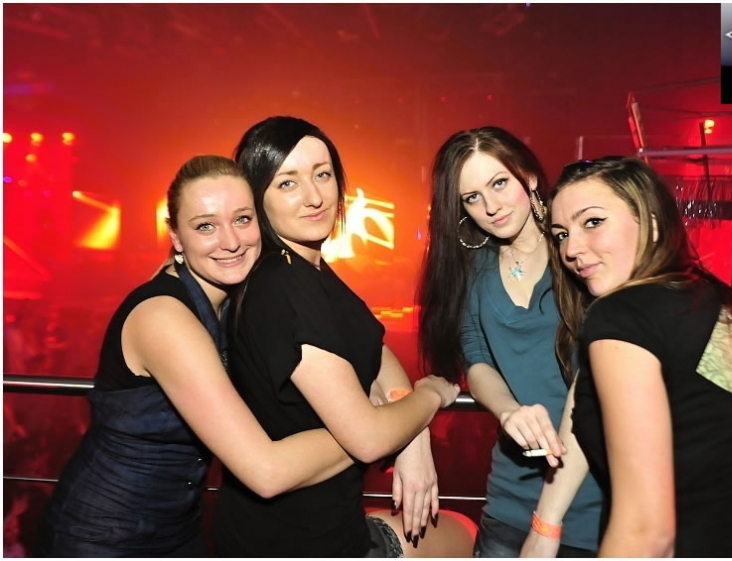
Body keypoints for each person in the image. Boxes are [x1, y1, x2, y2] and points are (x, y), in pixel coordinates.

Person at [36, 155, 363, 557]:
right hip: (101, 539)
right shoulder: (164, 316)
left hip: (180, 530)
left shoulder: (238, 298)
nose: (231, 241)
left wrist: (397, 416)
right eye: (206, 226)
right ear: (176, 237)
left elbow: (357, 331)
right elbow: (267, 471)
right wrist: (370, 428)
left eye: (242, 219)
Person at [212, 116, 472, 558]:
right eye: (288, 183)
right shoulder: (283, 286)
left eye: (323, 174)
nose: (314, 196)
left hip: (315, 525)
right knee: (465, 531)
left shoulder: (308, 270)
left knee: (458, 529)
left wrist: (411, 431)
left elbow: (374, 346)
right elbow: (367, 438)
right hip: (301, 542)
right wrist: (430, 395)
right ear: (257, 197)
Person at [524, 156, 732, 557]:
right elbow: (590, 398)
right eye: (561, 234)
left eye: (593, 222)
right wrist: (546, 525)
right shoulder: (712, 298)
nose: (571, 249)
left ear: (650, 222)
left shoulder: (622, 313)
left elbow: (646, 534)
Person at [416, 126, 602, 557]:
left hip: (593, 495)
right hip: (509, 498)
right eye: (472, 197)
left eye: (499, 183)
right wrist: (508, 410)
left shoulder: (579, 254)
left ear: (529, 177)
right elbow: (476, 359)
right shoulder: (474, 269)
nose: (491, 206)